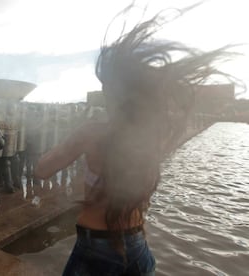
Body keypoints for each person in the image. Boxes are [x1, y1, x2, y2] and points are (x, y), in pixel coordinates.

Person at [34, 7, 240, 276]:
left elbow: (42, 169)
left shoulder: (91, 132)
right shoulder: (155, 136)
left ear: (115, 93)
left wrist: (61, 142)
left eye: (107, 87)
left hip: (95, 251)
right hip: (138, 248)